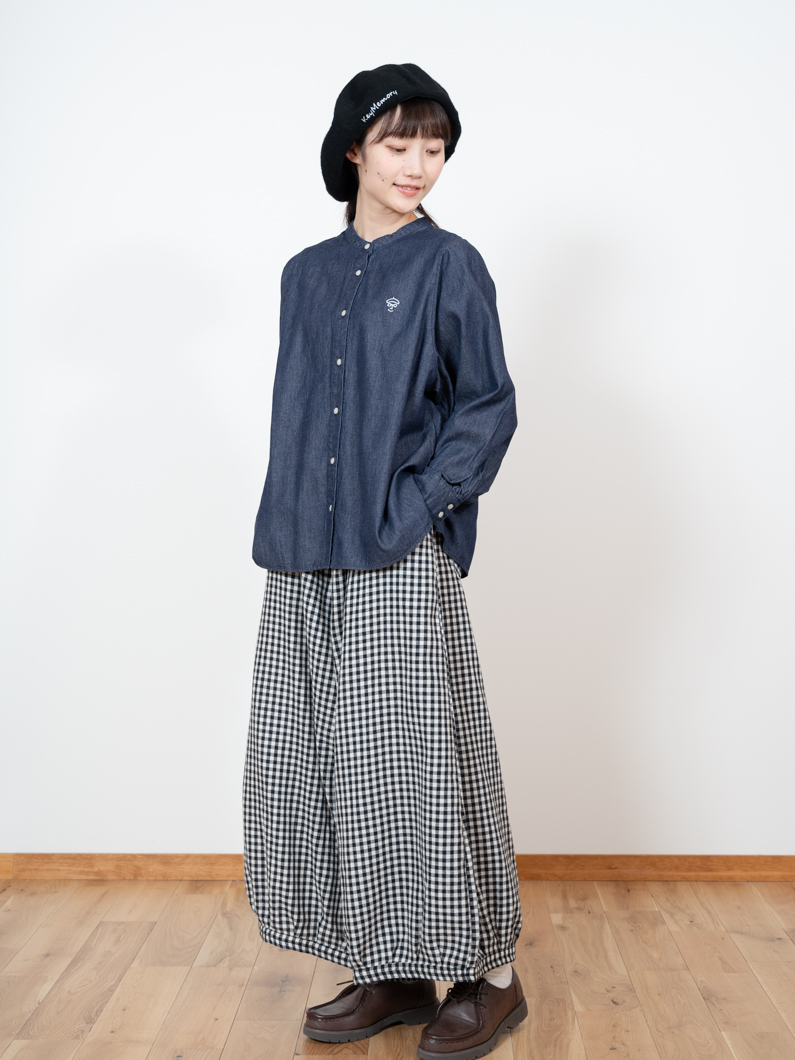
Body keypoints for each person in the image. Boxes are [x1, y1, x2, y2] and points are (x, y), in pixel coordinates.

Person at [242, 63, 527, 1060]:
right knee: (330, 766)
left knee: (426, 765)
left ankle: (491, 977)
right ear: (353, 151)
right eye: (399, 143)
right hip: (303, 553)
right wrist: (294, 517)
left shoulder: (450, 264)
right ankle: (393, 964)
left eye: (434, 147)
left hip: (396, 553)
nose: (418, 164)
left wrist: (415, 509)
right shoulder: (304, 274)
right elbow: (300, 411)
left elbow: (485, 406)